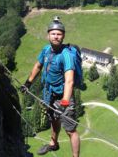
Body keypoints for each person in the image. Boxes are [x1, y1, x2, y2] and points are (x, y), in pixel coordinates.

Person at [20, 16, 80, 156]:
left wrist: (65, 101)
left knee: (71, 130)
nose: (56, 36)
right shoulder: (46, 50)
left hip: (63, 97)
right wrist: (28, 83)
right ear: (48, 35)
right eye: (53, 33)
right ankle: (54, 143)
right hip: (49, 93)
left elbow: (69, 80)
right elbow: (38, 65)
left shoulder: (66, 55)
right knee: (53, 119)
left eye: (59, 34)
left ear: (63, 36)